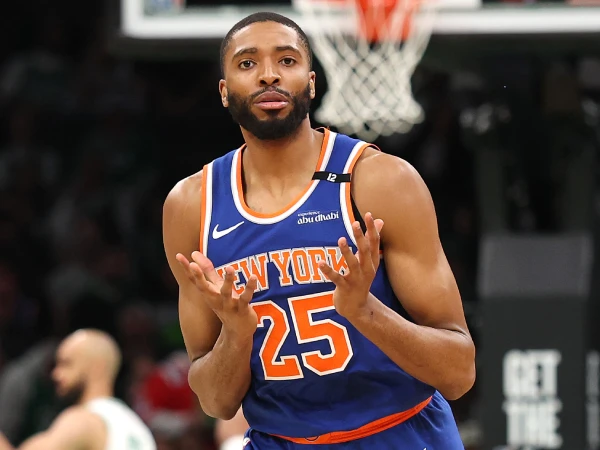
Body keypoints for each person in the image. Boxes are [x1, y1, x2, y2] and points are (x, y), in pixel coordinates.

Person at [162, 11, 476, 449]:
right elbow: (216, 403)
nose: (269, 75)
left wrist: (363, 311)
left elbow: (458, 373)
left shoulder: (380, 181)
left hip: (400, 433)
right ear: (224, 91)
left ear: (311, 83)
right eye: (247, 63)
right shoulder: (192, 205)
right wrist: (236, 334)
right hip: (280, 440)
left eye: (286, 60)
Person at [0, 329, 156, 450]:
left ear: (96, 367)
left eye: (66, 364)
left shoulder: (83, 421)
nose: (56, 374)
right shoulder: (137, 428)